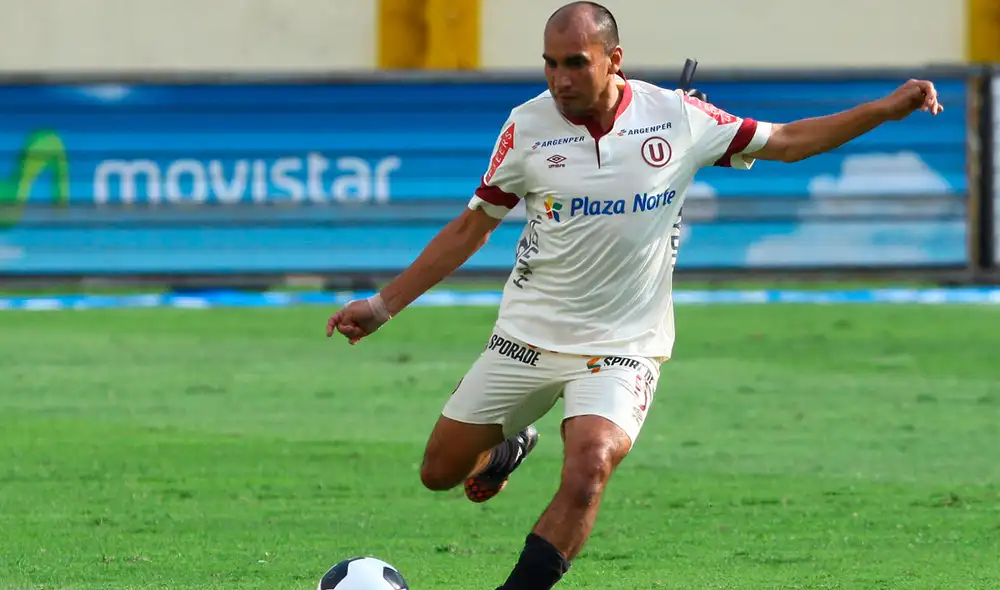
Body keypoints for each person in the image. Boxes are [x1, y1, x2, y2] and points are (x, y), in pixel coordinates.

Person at [326, 2, 944, 587]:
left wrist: (884, 110)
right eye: (549, 62)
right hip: (527, 336)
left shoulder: (677, 117)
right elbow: (470, 227)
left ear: (613, 59)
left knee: (589, 467)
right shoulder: (527, 125)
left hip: (624, 344)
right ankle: (504, 450)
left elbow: (787, 141)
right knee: (439, 473)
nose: (559, 79)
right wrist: (381, 308)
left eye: (575, 62)